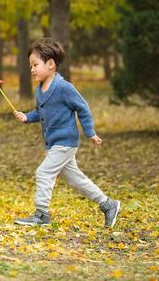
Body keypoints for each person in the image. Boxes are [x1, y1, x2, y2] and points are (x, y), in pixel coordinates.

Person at [12, 37, 121, 227]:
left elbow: (83, 108)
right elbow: (41, 112)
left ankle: (41, 215)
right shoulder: (40, 89)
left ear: (51, 64)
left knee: (43, 172)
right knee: (76, 179)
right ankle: (108, 204)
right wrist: (27, 117)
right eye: (31, 65)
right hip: (53, 143)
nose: (32, 69)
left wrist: (90, 133)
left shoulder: (64, 88)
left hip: (65, 141)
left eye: (35, 64)